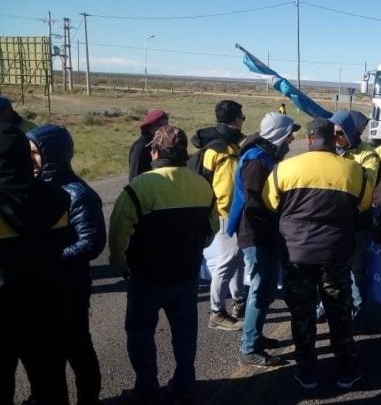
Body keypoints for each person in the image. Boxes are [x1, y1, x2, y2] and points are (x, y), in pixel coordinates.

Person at [109, 126, 218, 404]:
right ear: (184, 154)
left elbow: (119, 233)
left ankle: (147, 386)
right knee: (185, 331)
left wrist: (121, 266)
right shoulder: (202, 185)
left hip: (146, 276)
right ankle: (184, 382)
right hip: (186, 273)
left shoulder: (139, 187)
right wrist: (195, 248)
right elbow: (211, 228)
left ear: (155, 152)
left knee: (141, 333)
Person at [263, 117, 372, 390]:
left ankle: (307, 372)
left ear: (310, 139)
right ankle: (347, 370)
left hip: (296, 254)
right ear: (335, 139)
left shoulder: (284, 169)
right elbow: (364, 204)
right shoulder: (353, 170)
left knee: (302, 313)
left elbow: (270, 202)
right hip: (335, 255)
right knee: (339, 312)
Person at [27, 124, 106, 405]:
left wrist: (50, 260)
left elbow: (92, 242)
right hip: (45, 287)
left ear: (54, 155)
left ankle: (89, 398)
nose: (31, 159)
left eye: (36, 153)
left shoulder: (78, 194)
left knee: (78, 348)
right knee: (48, 352)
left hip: (70, 287)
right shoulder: (37, 190)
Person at [0, 123, 70, 405]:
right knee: (50, 380)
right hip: (45, 305)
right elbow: (63, 243)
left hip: (3, 309)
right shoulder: (56, 199)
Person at [227, 112, 300, 367]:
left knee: (266, 289)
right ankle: (249, 349)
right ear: (278, 136)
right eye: (289, 135)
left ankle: (255, 338)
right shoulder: (257, 161)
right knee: (260, 290)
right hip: (256, 235)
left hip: (263, 234)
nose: (291, 141)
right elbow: (256, 205)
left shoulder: (263, 155)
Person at [324, 109, 380, 328]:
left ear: (348, 132)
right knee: (328, 269)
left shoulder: (368, 154)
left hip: (356, 223)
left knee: (356, 269)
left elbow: (367, 185)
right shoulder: (328, 150)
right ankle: (325, 307)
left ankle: (358, 308)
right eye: (331, 134)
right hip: (331, 222)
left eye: (339, 133)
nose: (335, 138)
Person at [193, 100, 246, 331]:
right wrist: (231, 217)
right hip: (227, 215)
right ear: (235, 120)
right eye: (242, 118)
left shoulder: (217, 145)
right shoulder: (223, 149)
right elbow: (225, 191)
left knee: (235, 260)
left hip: (222, 214)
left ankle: (238, 301)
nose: (243, 121)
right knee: (226, 263)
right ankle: (217, 312)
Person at [128, 109, 169, 181]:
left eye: (166, 126)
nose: (164, 130)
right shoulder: (140, 148)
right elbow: (134, 178)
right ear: (150, 126)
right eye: (160, 126)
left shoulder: (162, 143)